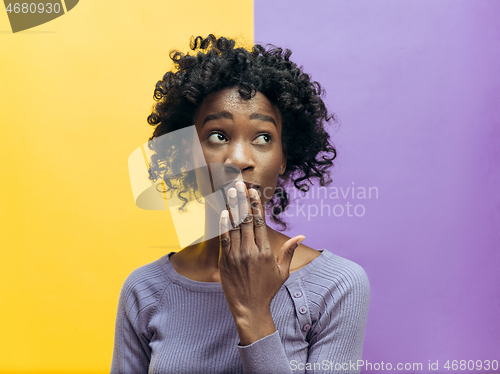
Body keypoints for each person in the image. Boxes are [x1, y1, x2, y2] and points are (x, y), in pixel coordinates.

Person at [111, 35, 370, 374]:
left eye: (263, 138)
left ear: (283, 158)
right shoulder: (144, 290)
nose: (239, 159)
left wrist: (253, 313)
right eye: (218, 135)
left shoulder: (338, 285)